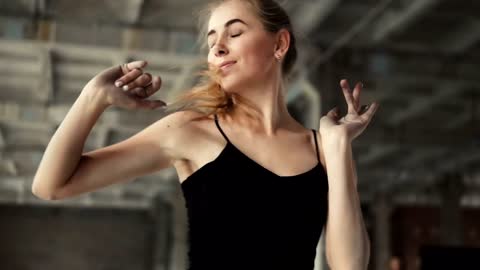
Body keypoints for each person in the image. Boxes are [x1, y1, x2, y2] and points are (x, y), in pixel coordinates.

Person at [32, 0, 378, 269]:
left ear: (280, 43)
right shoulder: (189, 131)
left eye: (235, 33)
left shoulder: (322, 148)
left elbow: (349, 265)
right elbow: (51, 185)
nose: (217, 49)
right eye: (212, 41)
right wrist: (93, 97)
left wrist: (338, 147)